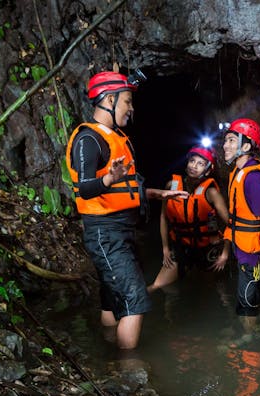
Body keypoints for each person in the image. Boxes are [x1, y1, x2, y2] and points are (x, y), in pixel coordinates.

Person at [66, 70, 188, 350]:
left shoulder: (117, 137)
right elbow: (85, 188)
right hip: (104, 231)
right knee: (135, 300)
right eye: (127, 102)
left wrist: (162, 193)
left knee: (112, 294)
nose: (131, 109)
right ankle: (127, 368)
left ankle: (108, 345)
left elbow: (126, 191)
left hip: (121, 229)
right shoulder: (89, 139)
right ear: (109, 100)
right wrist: (109, 178)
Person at [221, 118, 260, 326]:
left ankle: (250, 351)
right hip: (245, 246)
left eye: (231, 140)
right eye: (226, 140)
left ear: (246, 146)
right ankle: (258, 328)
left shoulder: (253, 178)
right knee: (253, 293)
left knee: (247, 301)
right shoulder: (240, 172)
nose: (225, 145)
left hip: (254, 251)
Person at [147, 144, 230, 293]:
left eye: (200, 163)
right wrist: (166, 248)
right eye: (192, 161)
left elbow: (230, 224)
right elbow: (163, 218)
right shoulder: (171, 186)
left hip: (207, 247)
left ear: (208, 169)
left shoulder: (211, 193)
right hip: (181, 245)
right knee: (157, 285)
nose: (194, 166)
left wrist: (225, 254)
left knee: (209, 290)